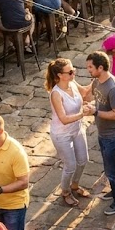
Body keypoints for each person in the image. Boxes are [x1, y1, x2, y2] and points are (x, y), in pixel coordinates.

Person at [83, 51, 115, 214]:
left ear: (100, 67)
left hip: (114, 135)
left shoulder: (114, 88)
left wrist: (95, 112)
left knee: (112, 168)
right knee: (112, 165)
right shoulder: (97, 81)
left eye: (90, 67)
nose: (88, 69)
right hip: (103, 132)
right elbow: (88, 97)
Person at [44, 58, 93, 207]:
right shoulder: (56, 94)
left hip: (77, 129)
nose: (74, 73)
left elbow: (85, 93)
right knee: (70, 165)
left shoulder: (72, 83)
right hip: (61, 134)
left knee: (83, 160)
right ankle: (65, 191)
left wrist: (96, 79)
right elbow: (63, 118)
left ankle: (75, 185)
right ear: (60, 75)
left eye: (74, 70)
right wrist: (82, 114)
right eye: (70, 72)